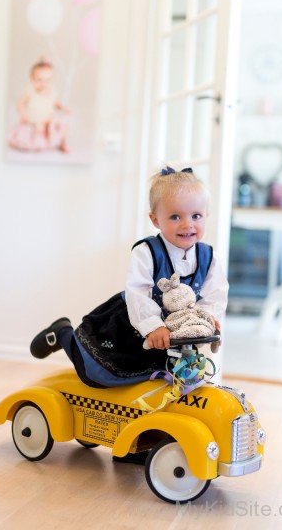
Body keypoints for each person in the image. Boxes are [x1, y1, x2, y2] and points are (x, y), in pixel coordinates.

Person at [30, 166, 228, 388]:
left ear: (206, 216)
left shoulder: (210, 258)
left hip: (178, 330)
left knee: (168, 376)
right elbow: (138, 292)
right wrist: (153, 326)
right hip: (133, 324)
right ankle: (62, 334)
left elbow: (215, 294)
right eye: (175, 216)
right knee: (98, 374)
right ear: (155, 220)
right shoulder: (147, 252)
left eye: (196, 216)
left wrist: (207, 319)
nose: (187, 224)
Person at [9, 59, 70, 153]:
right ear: (32, 79)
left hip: (47, 120)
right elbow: (19, 105)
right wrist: (23, 114)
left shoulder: (52, 91)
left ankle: (63, 143)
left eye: (47, 80)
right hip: (33, 120)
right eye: (39, 80)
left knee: (61, 123)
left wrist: (63, 108)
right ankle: (35, 143)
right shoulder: (30, 92)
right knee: (31, 135)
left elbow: (56, 103)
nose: (43, 83)